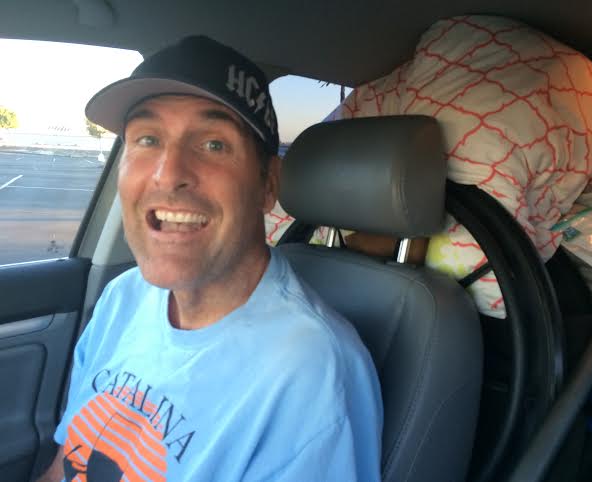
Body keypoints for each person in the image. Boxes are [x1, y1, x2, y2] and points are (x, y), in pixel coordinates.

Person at [38, 35, 382, 481]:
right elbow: (63, 467)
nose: (168, 174)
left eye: (214, 144)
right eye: (147, 139)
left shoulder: (310, 371)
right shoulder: (123, 297)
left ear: (268, 185)